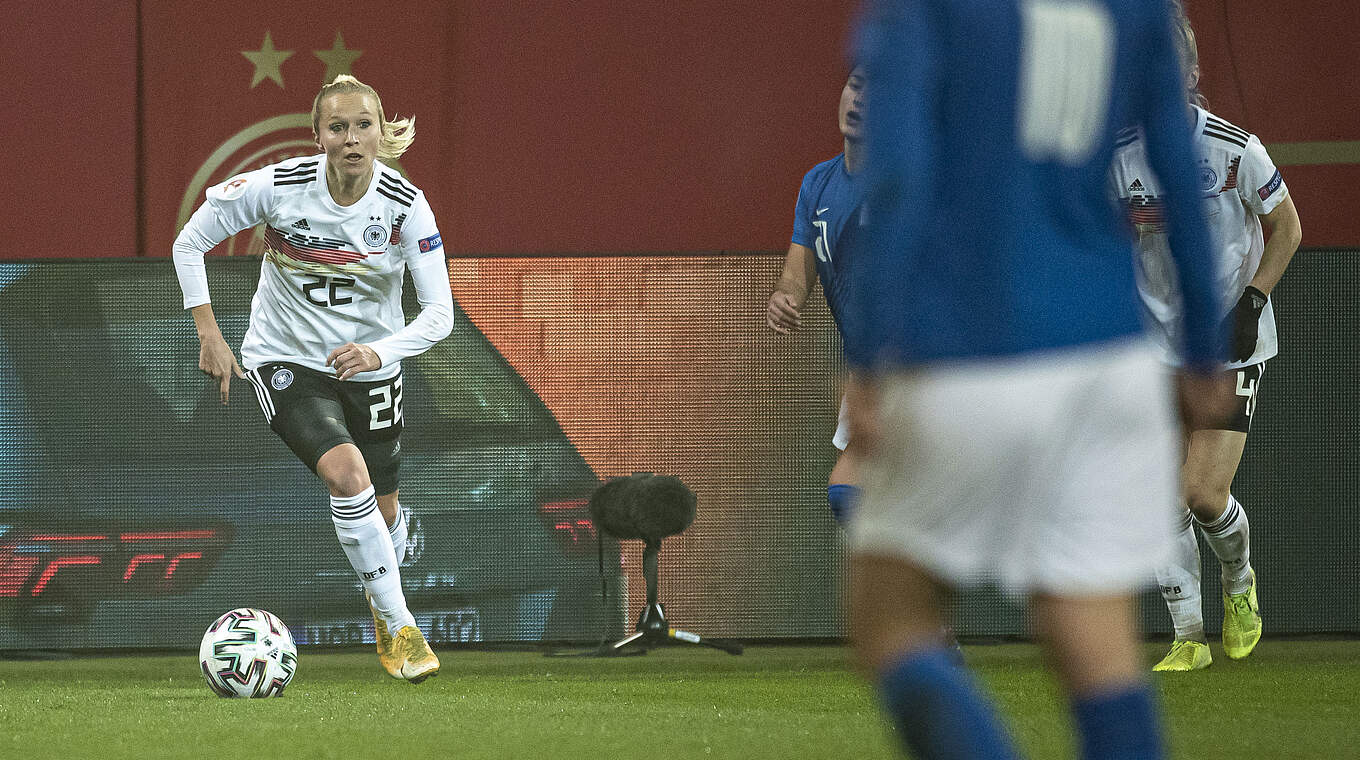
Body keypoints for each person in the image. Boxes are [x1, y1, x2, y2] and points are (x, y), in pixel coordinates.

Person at [843, 1, 1233, 758]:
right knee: (1093, 639)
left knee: (889, 620)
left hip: (969, 342)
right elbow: (1181, 172)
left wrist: (868, 354)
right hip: (1111, 357)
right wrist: (1205, 352)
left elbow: (897, 174)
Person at [172, 74, 451, 684]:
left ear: (382, 132)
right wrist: (210, 334)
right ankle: (401, 625)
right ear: (318, 135)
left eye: (363, 125)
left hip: (371, 367)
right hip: (283, 359)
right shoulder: (277, 187)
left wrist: (380, 352)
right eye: (338, 127)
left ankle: (382, 605)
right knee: (345, 474)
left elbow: (439, 316)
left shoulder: (406, 206)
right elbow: (190, 243)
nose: (351, 138)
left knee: (385, 505)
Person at [1109, 8, 1302, 672]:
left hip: (1228, 344)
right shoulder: (1119, 157)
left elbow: (1289, 228)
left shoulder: (1235, 149)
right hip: (1153, 348)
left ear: (1190, 74)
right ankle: (1188, 636)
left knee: (1200, 493)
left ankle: (1240, 586)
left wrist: (1252, 299)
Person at [766, 66, 868, 525]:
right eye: (855, 85)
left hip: (921, 365)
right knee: (849, 496)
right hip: (867, 368)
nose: (861, 99)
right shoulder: (817, 185)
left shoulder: (911, 186)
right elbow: (795, 278)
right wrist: (782, 298)